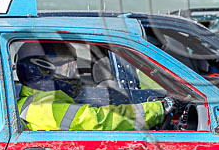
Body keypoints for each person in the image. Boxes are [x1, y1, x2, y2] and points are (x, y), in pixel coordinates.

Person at [15, 41, 177, 131]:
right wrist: (157, 110)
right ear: (43, 72)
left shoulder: (35, 102)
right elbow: (99, 121)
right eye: (66, 69)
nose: (73, 75)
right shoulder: (44, 107)